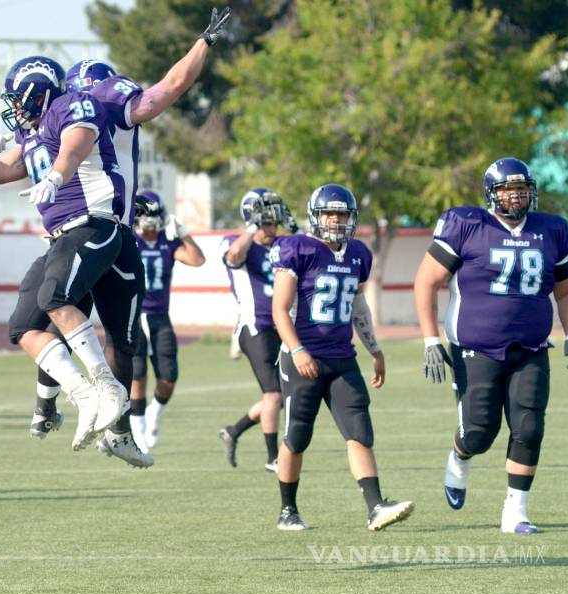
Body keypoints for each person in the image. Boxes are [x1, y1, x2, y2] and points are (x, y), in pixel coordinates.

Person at [0, 7, 231, 466]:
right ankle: (65, 404)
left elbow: (166, 91)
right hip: (81, 226)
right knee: (55, 312)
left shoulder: (91, 102)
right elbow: (7, 168)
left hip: (101, 223)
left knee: (79, 315)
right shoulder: (49, 121)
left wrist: (203, 43)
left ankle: (91, 415)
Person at [414, 158, 568, 534]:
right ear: (491, 193)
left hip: (531, 347)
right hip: (476, 347)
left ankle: (515, 511)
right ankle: (460, 456)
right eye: (507, 189)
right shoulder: (466, 224)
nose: (515, 196)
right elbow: (426, 282)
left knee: (529, 427)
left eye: (522, 189)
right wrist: (430, 339)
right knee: (479, 433)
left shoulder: (552, 229)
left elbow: (565, 291)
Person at [271, 184, 413, 531]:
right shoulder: (297, 249)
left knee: (359, 431)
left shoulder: (358, 254)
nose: (336, 220)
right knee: (296, 437)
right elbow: (280, 309)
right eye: (330, 214)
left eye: (342, 214)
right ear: (316, 216)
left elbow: (358, 305)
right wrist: (298, 350)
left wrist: (374, 349)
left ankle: (375, 506)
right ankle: (288, 510)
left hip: (342, 359)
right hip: (302, 358)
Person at [218, 188, 295, 472]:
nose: (272, 228)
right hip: (255, 326)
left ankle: (233, 431)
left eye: (275, 222)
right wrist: (253, 227)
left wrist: (294, 228)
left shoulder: (283, 245)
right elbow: (234, 256)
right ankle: (273, 458)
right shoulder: (236, 241)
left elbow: (311, 249)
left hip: (282, 326)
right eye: (267, 222)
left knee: (284, 395)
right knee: (274, 395)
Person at [128, 190, 205, 453]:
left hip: (160, 317)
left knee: (169, 377)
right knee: (137, 375)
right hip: (133, 315)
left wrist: (183, 232)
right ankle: (138, 430)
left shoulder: (168, 241)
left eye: (155, 215)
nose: (151, 221)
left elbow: (197, 259)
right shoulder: (129, 240)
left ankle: (155, 413)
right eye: (146, 215)